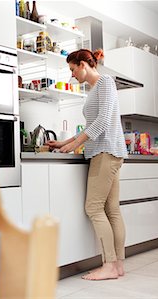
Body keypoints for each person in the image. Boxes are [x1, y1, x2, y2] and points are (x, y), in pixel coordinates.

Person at [47, 49, 128, 280]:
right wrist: (65, 142)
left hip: (105, 152)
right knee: (111, 209)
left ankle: (110, 265)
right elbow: (90, 126)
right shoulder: (95, 89)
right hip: (106, 151)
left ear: (83, 65)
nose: (72, 75)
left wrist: (75, 146)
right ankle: (117, 266)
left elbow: (102, 122)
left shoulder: (105, 83)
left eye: (73, 70)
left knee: (94, 208)